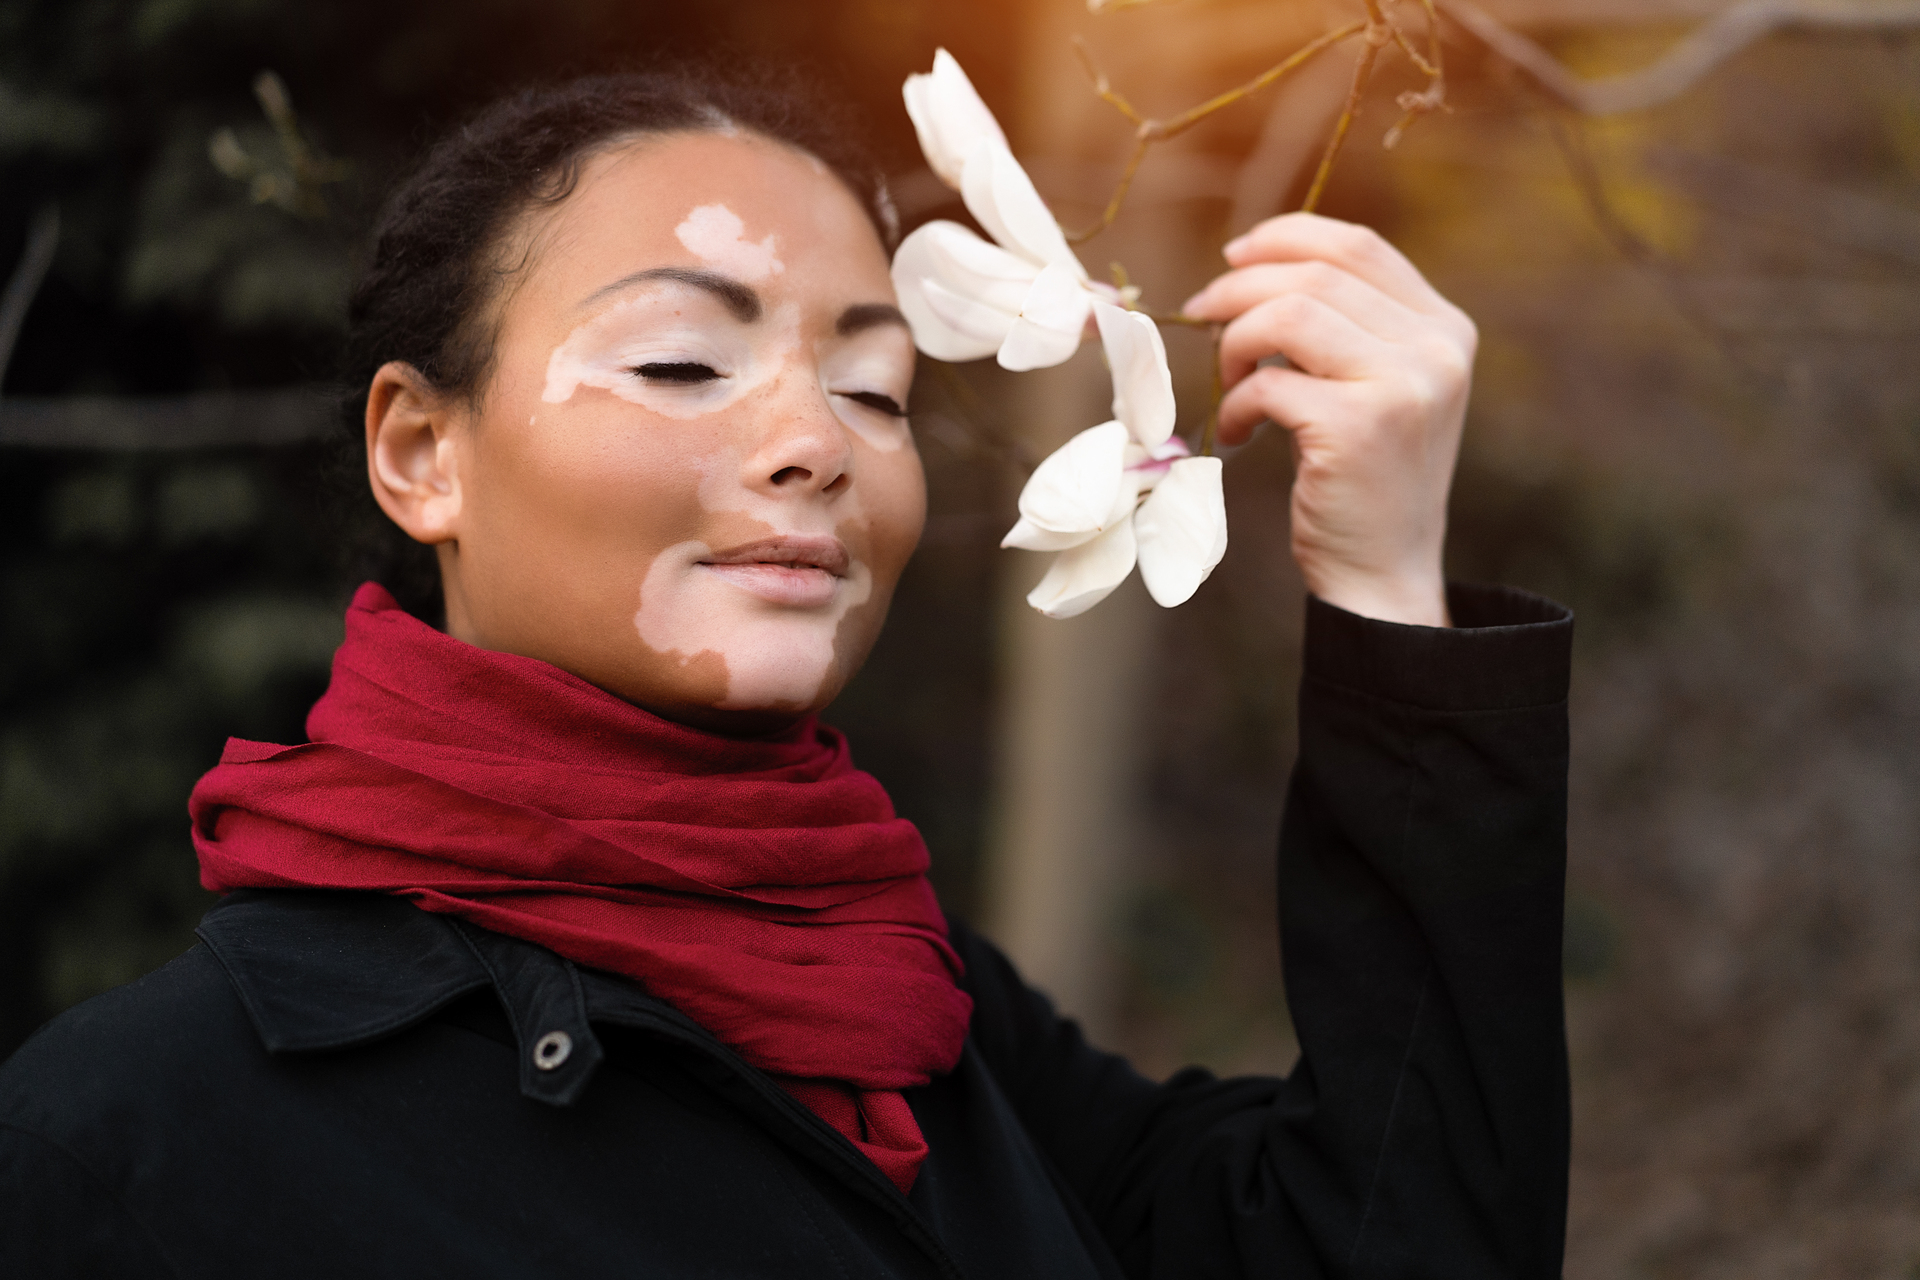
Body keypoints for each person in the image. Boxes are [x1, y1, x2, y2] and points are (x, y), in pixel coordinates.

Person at [0, 67, 1572, 1278]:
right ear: (423, 453)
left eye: (876, 389)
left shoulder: (922, 1011)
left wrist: (1388, 592)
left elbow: (1382, 1244)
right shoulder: (133, 1147)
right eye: (683, 362)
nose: (817, 442)